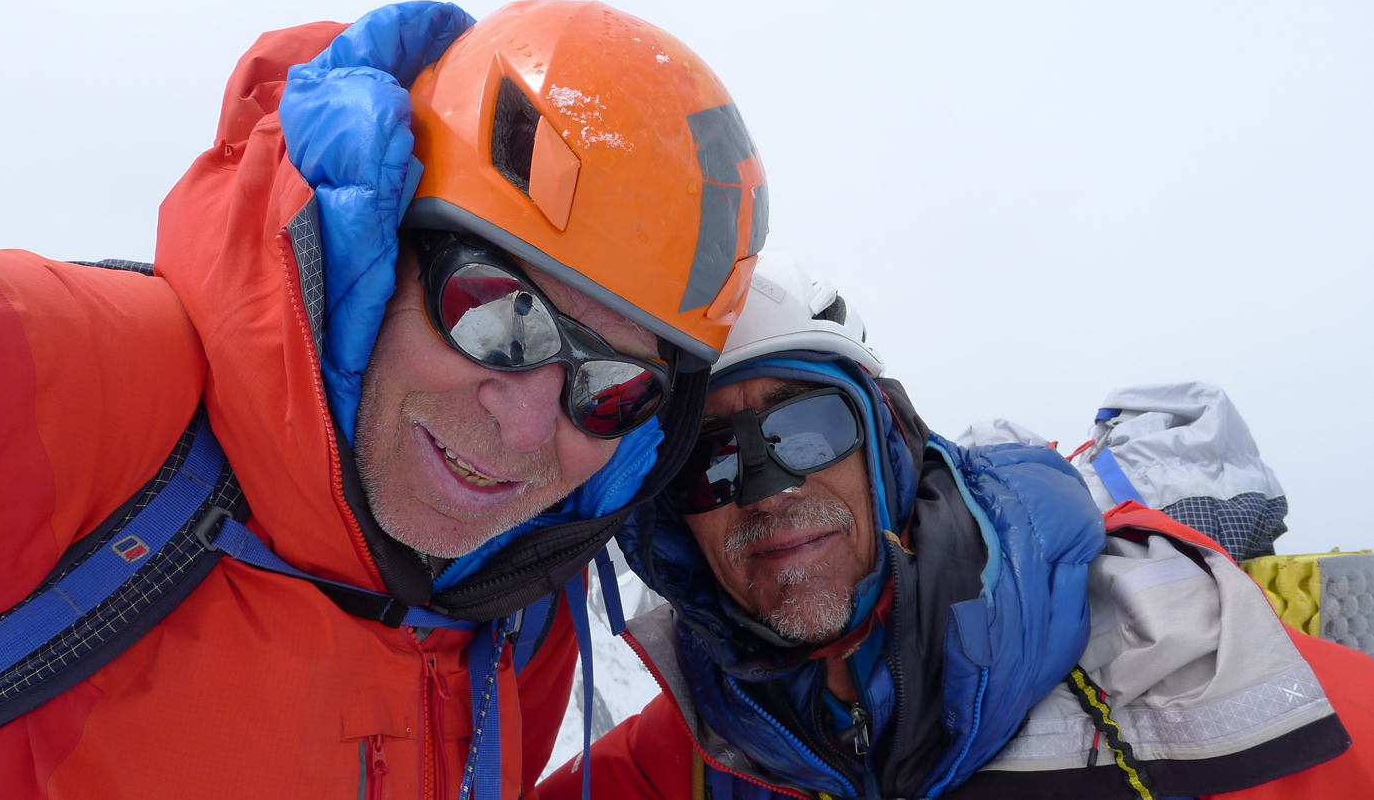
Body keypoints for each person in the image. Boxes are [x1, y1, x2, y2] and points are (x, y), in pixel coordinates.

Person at [0, 0, 767, 799]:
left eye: (611, 389)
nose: (524, 427)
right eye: (494, 313)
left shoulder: (521, 617)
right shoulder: (64, 375)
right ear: (377, 254)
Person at [539, 251, 1374, 800]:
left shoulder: (1180, 663)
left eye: (807, 430)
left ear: (887, 446)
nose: (765, 491)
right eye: (709, 463)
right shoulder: (699, 748)